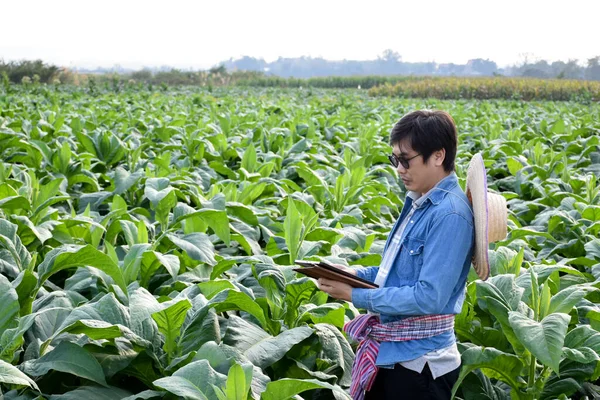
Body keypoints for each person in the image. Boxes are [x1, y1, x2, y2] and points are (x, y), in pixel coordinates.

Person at [318, 109, 485, 400]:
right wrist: (352, 275)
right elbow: (394, 273)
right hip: (395, 355)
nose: (399, 169)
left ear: (437, 155)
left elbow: (427, 297)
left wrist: (355, 295)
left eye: (406, 160)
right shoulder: (420, 202)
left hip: (422, 367)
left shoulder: (450, 215)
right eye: (395, 159)